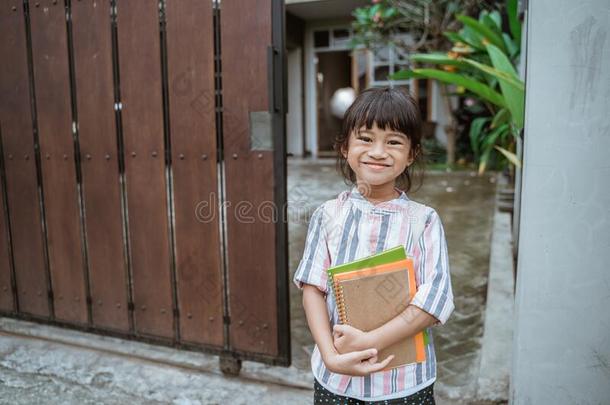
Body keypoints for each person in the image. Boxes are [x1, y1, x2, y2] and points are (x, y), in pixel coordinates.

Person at [293, 87, 454, 404]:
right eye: (365, 138)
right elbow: (312, 289)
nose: (378, 151)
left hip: (404, 383)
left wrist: (370, 341)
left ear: (411, 154)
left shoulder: (424, 221)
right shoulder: (328, 216)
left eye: (393, 141)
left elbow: (433, 302)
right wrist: (330, 356)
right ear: (344, 147)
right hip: (335, 378)